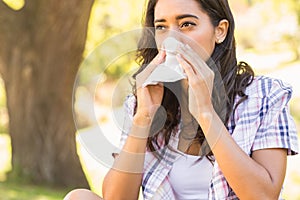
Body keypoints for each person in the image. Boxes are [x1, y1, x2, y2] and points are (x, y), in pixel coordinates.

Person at [64, 0, 299, 199]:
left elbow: (264, 195)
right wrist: (143, 118)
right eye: (161, 27)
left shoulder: (264, 95)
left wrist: (206, 114)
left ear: (220, 31)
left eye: (186, 24)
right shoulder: (143, 101)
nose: (172, 39)